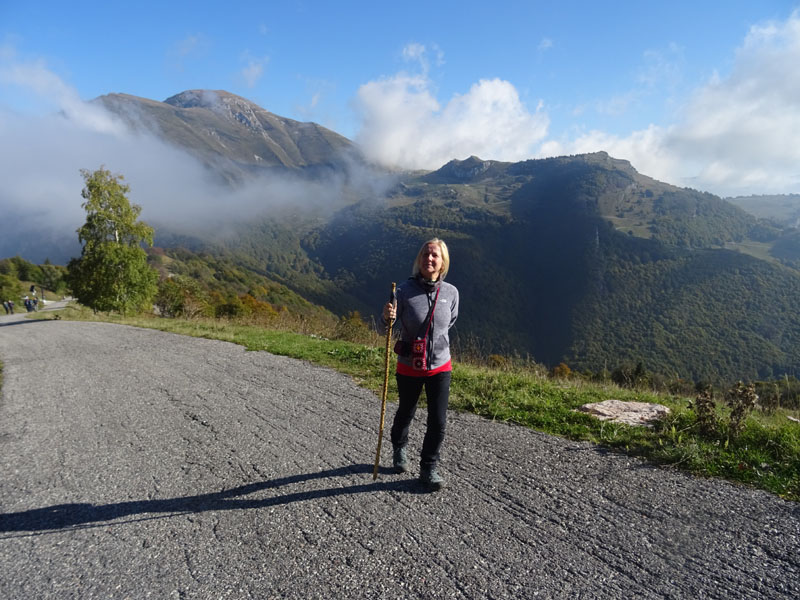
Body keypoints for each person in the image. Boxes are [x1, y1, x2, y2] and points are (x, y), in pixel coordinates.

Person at [382, 238, 459, 491]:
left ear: (442, 261)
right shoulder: (403, 291)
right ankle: (399, 448)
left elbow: (449, 323)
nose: (429, 259)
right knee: (406, 411)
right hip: (409, 365)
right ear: (419, 259)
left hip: (440, 365)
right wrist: (387, 317)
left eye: (435, 255)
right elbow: (389, 326)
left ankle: (428, 468)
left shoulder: (451, 293)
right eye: (426, 254)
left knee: (438, 421)